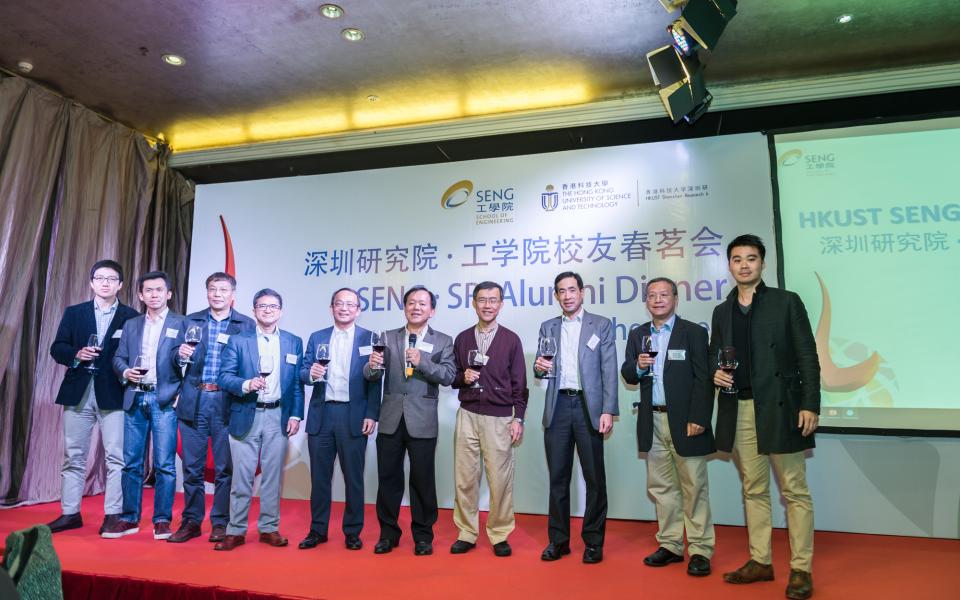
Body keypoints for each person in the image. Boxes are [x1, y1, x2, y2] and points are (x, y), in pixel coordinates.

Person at [709, 234, 819, 600]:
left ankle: (801, 569)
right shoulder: (722, 311)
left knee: (794, 491)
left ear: (762, 264)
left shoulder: (786, 302)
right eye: (737, 259)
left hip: (781, 408)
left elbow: (807, 355)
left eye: (751, 258)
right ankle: (761, 561)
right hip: (739, 408)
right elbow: (714, 355)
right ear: (729, 265)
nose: (744, 265)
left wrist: (810, 404)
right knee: (753, 489)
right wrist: (716, 372)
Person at [621, 277, 715, 576]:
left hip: (686, 421)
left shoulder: (694, 333)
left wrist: (699, 417)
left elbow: (704, 378)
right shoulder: (638, 335)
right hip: (653, 420)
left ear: (675, 298)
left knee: (694, 486)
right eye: (652, 295)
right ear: (646, 301)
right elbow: (629, 374)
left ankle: (700, 549)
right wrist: (638, 365)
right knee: (662, 487)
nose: (658, 300)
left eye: (664, 295)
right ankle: (671, 544)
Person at [47, 260, 139, 534]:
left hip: (113, 393)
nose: (105, 283)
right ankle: (70, 513)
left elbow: (133, 355)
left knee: (115, 458)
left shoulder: (131, 316)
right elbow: (57, 348)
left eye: (112, 279)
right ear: (91, 283)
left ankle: (112, 514)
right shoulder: (75, 313)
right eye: (100, 278)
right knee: (73, 456)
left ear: (120, 285)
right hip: (79, 392)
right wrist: (76, 354)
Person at [533, 271, 618, 564]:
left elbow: (609, 370)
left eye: (572, 289)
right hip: (557, 408)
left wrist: (608, 409)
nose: (567, 295)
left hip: (588, 408)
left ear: (582, 292)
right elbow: (540, 368)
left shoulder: (601, 325)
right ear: (556, 296)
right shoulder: (548, 326)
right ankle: (558, 541)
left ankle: (593, 542)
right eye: (561, 291)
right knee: (558, 478)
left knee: (595, 479)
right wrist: (539, 367)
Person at [364, 285, 455, 556]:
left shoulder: (443, 341)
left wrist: (422, 361)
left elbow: (449, 376)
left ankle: (423, 536)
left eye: (422, 303)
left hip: (423, 419)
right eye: (411, 302)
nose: (416, 307)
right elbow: (372, 376)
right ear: (404, 307)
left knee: (422, 480)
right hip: (391, 417)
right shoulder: (388, 337)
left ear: (432, 310)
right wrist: (371, 366)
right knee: (388, 479)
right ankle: (388, 534)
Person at [213, 289, 304, 551]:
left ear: (281, 311)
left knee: (273, 478)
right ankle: (236, 530)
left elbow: (297, 385)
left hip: (278, 416)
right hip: (245, 413)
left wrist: (296, 414)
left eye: (273, 306)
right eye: (262, 306)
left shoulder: (292, 341)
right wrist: (246, 384)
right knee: (241, 477)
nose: (267, 310)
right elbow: (224, 377)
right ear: (253, 311)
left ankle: (269, 528)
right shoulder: (238, 341)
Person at [167, 272, 255, 544]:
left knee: (223, 468)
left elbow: (250, 363)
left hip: (227, 402)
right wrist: (178, 356)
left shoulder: (246, 324)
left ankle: (220, 522)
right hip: (194, 398)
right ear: (207, 293)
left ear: (233, 295)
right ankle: (192, 521)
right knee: (191, 468)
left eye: (223, 289)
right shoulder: (190, 321)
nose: (217, 294)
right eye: (213, 289)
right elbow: (170, 357)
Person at [298, 288, 381, 551]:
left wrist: (372, 413)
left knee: (353, 477)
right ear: (332, 307)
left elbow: (376, 379)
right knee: (320, 478)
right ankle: (317, 530)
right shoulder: (318, 337)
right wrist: (310, 373)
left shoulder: (370, 338)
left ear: (358, 309)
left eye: (350, 304)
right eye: (339, 304)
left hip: (353, 415)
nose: (344, 308)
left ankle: (352, 531)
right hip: (322, 414)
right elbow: (302, 370)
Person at [449, 281, 528, 557]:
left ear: (501, 304)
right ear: (474, 303)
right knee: (465, 478)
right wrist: (463, 378)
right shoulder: (462, 338)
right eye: (482, 300)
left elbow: (520, 384)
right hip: (468, 414)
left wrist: (519, 419)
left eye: (493, 300)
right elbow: (453, 377)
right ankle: (467, 532)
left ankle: (499, 532)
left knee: (500, 479)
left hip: (500, 417)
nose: (487, 305)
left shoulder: (511, 339)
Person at [104, 271, 184, 539]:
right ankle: (129, 518)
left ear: (169, 294)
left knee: (164, 464)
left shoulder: (181, 324)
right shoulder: (132, 324)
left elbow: (192, 363)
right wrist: (126, 372)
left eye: (159, 290)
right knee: (132, 463)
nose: (153, 294)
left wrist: (181, 392)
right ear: (140, 295)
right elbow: (118, 358)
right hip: (135, 397)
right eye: (148, 290)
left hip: (164, 400)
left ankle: (162, 520)